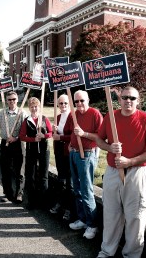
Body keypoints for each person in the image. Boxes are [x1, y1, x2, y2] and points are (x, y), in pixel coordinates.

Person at [96, 86, 146, 258]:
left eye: (132, 98)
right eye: (125, 97)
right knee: (111, 214)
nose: (128, 101)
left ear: (138, 101)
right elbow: (98, 140)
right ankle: (107, 251)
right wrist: (109, 147)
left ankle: (132, 255)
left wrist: (130, 161)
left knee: (135, 217)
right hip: (113, 171)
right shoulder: (111, 116)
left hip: (136, 172)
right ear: (119, 100)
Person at [65, 90, 103, 239]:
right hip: (74, 153)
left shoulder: (95, 114)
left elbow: (101, 137)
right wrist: (70, 142)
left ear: (88, 100)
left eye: (82, 100)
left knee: (86, 190)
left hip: (86, 154)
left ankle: (93, 225)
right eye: (76, 101)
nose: (79, 104)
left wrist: (84, 134)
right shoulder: (73, 114)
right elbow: (72, 132)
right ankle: (83, 219)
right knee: (77, 189)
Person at [19, 97, 52, 210]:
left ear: (39, 107)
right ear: (29, 108)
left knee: (43, 176)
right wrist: (33, 139)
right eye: (32, 106)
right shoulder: (26, 121)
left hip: (44, 150)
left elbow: (51, 132)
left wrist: (44, 136)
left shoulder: (44, 119)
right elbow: (22, 136)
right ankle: (31, 201)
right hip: (31, 151)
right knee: (30, 176)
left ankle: (44, 202)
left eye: (36, 106)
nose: (34, 108)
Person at [0, 91, 27, 203]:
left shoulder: (23, 113)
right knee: (5, 170)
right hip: (5, 144)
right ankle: (7, 193)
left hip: (18, 144)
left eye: (14, 99)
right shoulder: (2, 113)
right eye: (9, 99)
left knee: (19, 170)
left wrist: (16, 137)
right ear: (6, 101)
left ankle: (19, 194)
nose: (12, 101)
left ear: (17, 99)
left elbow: (26, 131)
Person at [50, 94, 75, 221]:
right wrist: (54, 130)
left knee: (69, 182)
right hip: (59, 151)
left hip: (69, 152)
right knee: (61, 179)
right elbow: (54, 134)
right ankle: (59, 203)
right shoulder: (57, 116)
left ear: (70, 104)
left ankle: (69, 208)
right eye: (60, 103)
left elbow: (74, 136)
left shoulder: (73, 117)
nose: (63, 105)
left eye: (65, 103)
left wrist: (60, 137)